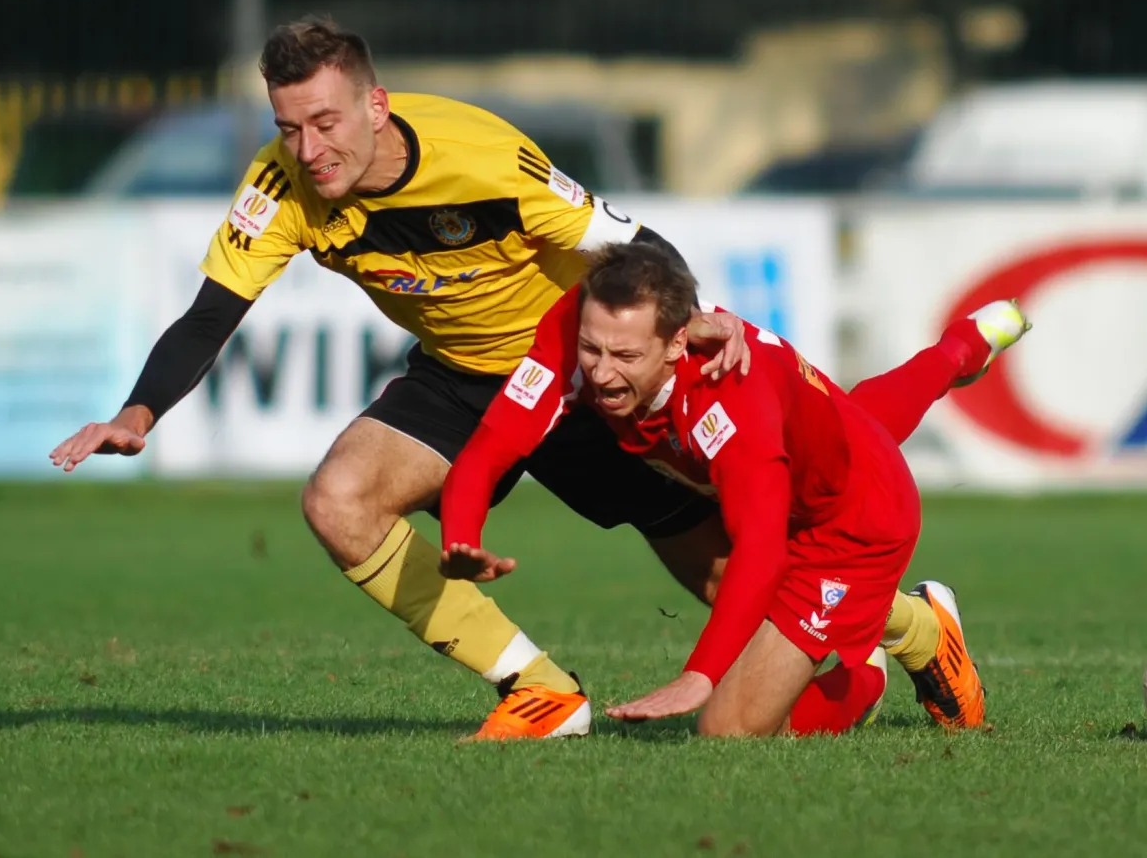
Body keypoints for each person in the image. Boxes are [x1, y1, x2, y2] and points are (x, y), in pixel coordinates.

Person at [48, 17, 750, 741]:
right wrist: (137, 415)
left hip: (576, 371)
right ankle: (540, 691)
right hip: (460, 378)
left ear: (375, 106)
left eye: (325, 122)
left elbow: (634, 244)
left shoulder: (486, 160)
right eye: (289, 128)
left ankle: (874, 627)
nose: (309, 151)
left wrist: (688, 320)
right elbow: (209, 316)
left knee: (728, 568)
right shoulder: (281, 182)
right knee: (338, 501)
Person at [440, 242, 1030, 736]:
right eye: (592, 349)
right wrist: (461, 535)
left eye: (624, 355)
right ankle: (960, 349)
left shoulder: (728, 399)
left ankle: (863, 678)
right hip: (815, 452)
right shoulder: (583, 323)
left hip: (853, 526)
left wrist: (697, 676)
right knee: (856, 422)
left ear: (676, 345)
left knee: (728, 730)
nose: (598, 371)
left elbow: (765, 551)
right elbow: (492, 444)